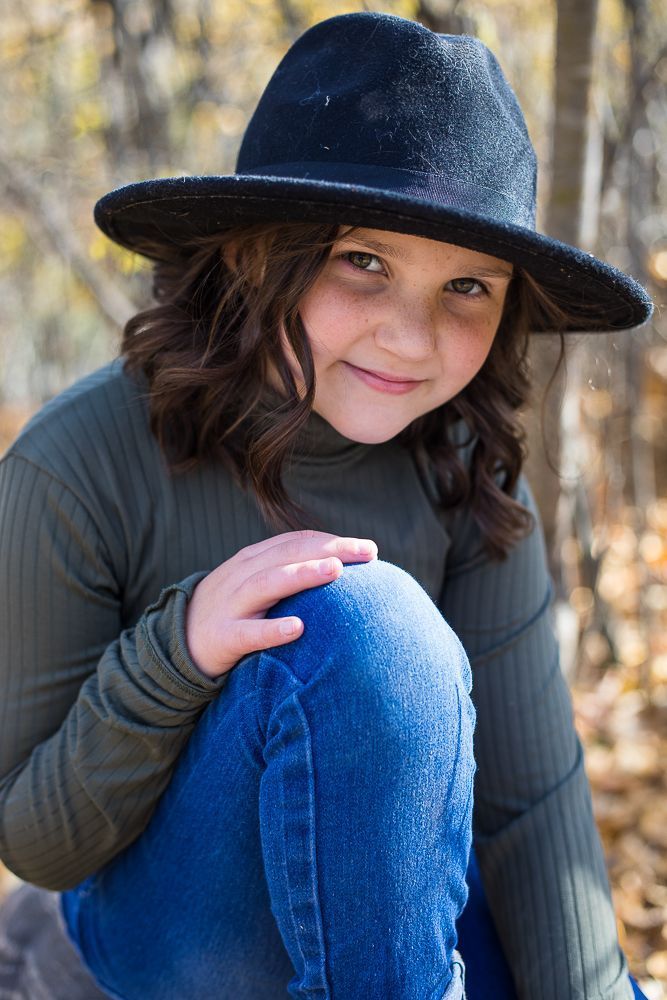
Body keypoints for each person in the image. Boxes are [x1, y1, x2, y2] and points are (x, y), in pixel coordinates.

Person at [0, 11, 653, 1000]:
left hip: (397, 908)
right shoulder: (79, 462)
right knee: (368, 623)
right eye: (364, 262)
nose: (410, 337)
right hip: (170, 926)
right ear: (258, 253)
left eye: (468, 286)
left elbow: (527, 807)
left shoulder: (464, 464)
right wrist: (180, 650)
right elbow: (35, 840)